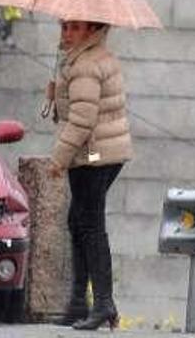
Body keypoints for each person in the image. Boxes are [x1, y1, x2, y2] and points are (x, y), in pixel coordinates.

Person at [47, 20, 133, 331]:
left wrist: (58, 159)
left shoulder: (85, 65)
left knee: (90, 224)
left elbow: (83, 120)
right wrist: (55, 94)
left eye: (74, 28)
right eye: (64, 26)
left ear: (91, 31)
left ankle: (103, 303)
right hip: (98, 152)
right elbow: (77, 109)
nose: (66, 33)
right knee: (78, 220)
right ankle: (79, 303)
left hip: (95, 154)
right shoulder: (84, 60)